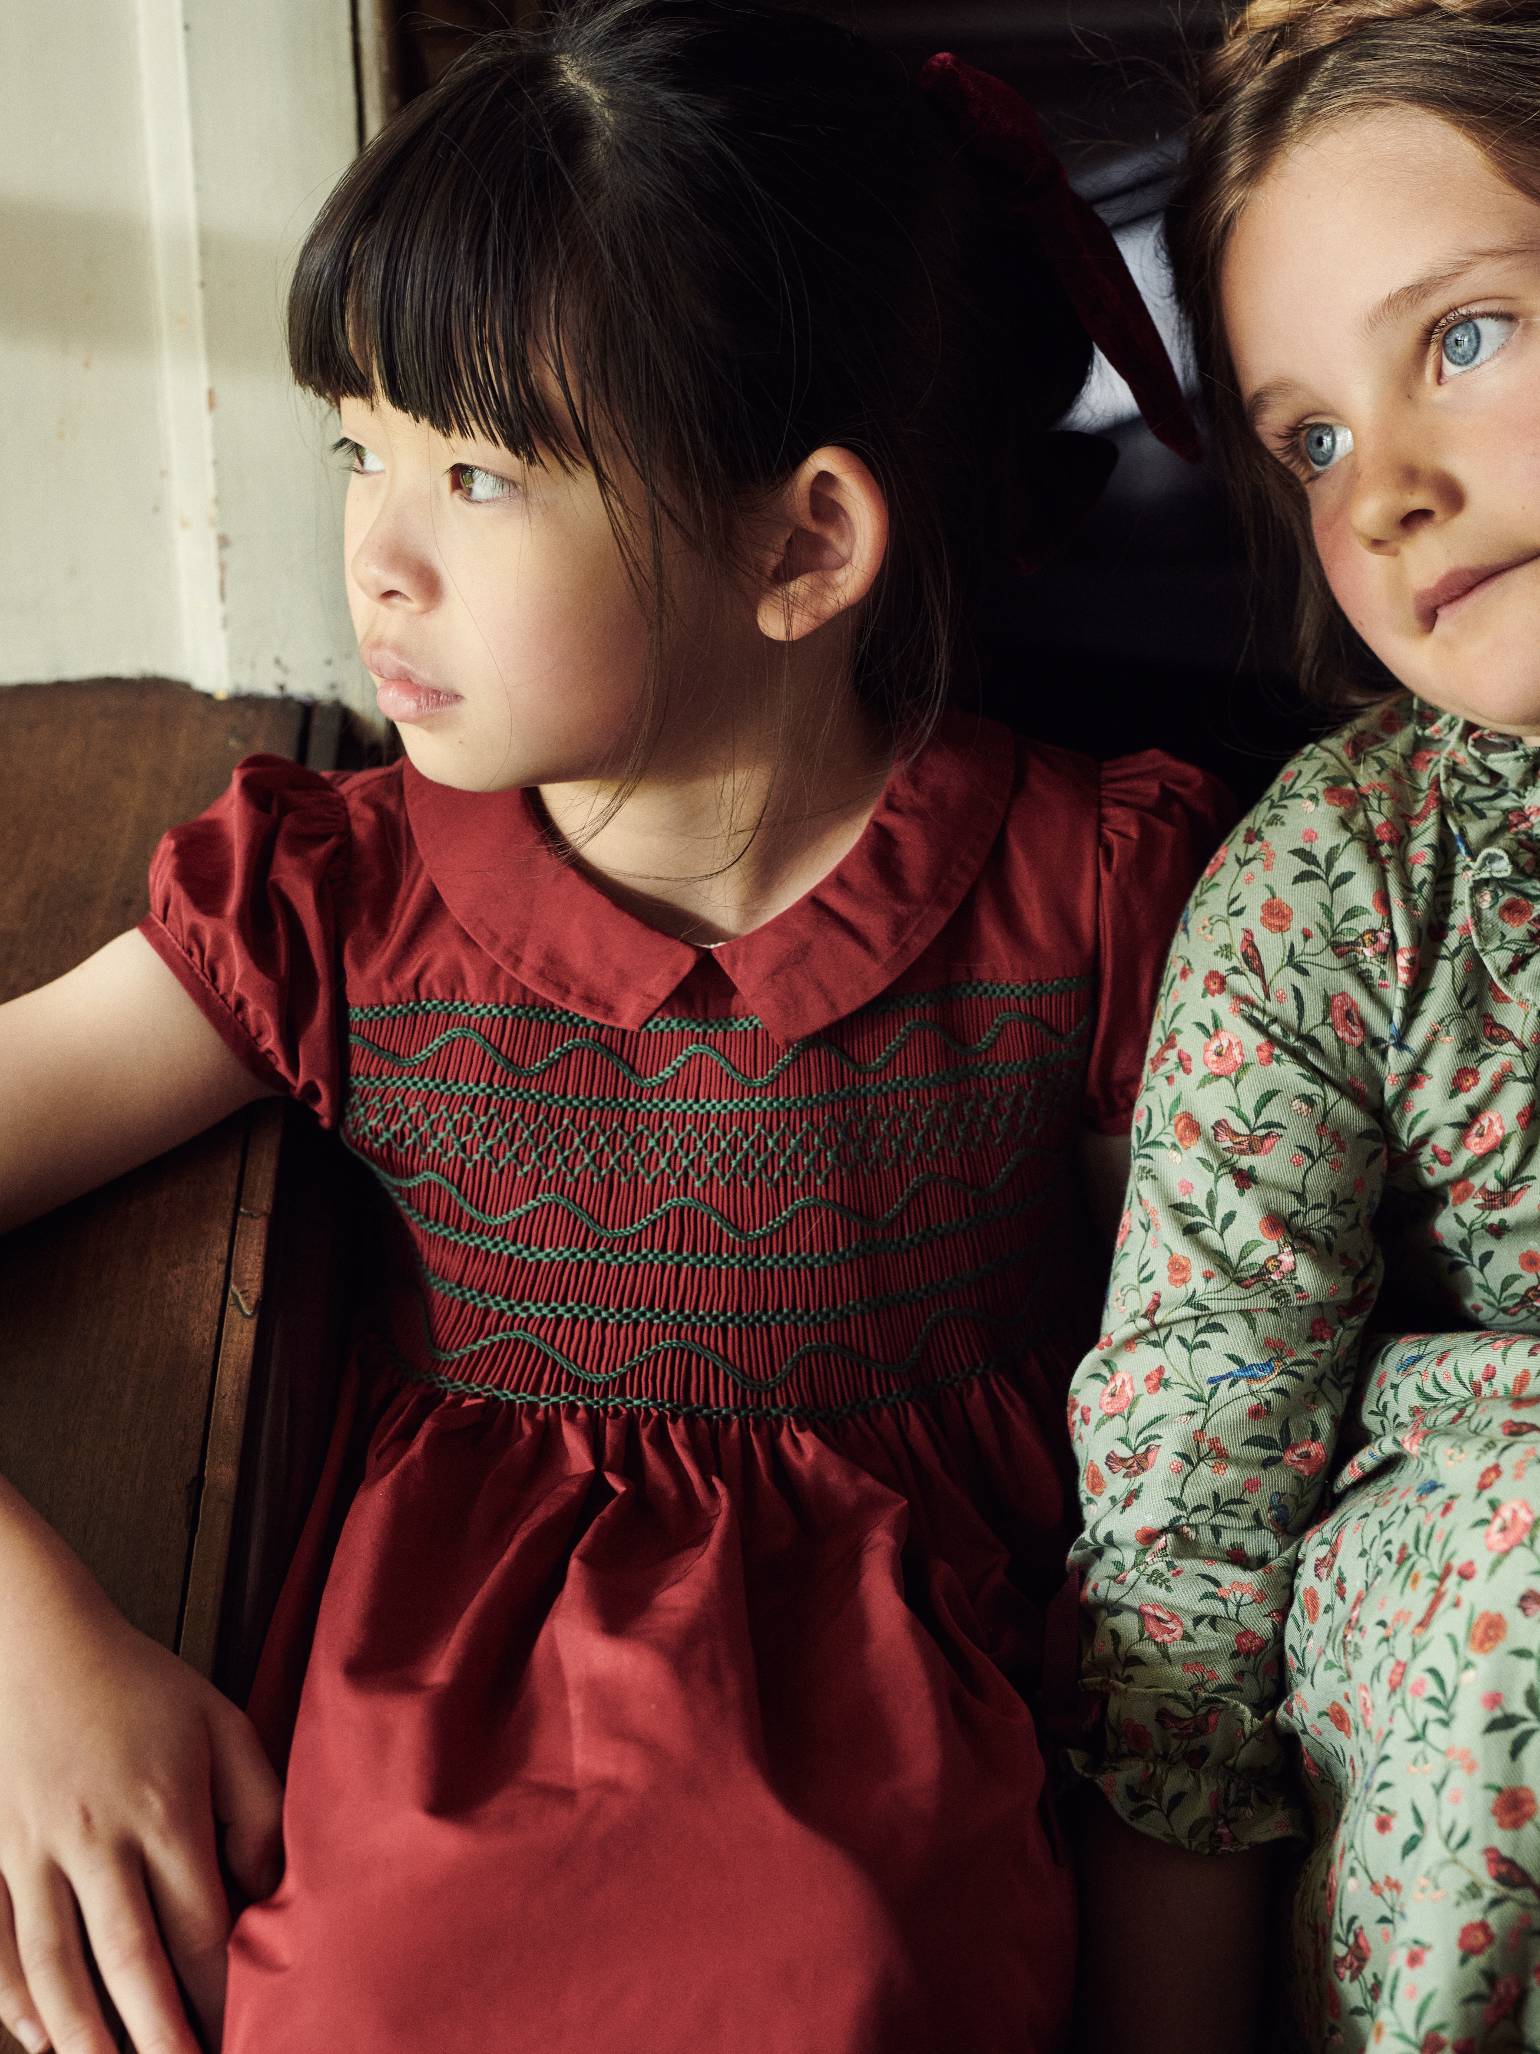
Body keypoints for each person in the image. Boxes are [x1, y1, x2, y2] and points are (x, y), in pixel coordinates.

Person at [0, 5, 1231, 2050]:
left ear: (801, 541)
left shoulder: (1090, 902)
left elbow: (1222, 1420)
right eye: (358, 448)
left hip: (905, 1840)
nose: (375, 560)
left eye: (476, 473)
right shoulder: (341, 900)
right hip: (429, 1841)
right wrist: (33, 1656)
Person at [1067, 3, 1540, 2051]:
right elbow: (1186, 1549)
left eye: (1464, 336)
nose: (1391, 491)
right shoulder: (1331, 888)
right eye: (1312, 443)